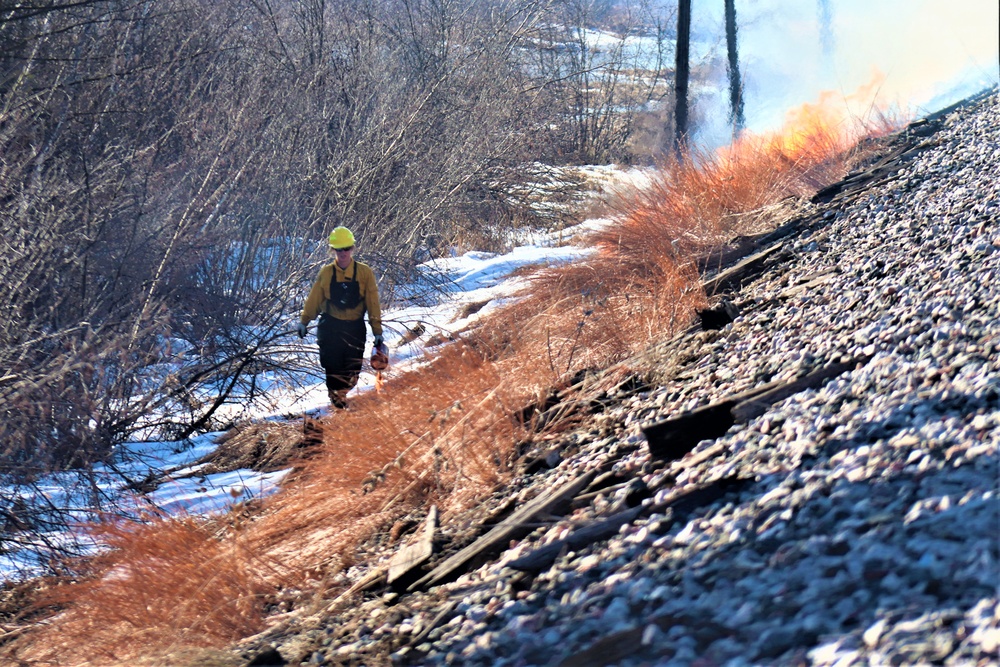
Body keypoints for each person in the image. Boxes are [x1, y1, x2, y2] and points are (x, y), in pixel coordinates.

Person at [298, 226, 383, 409]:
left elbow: (373, 301)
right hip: (331, 329)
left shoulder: (364, 272)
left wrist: (377, 331)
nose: (343, 253)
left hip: (354, 328)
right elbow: (314, 298)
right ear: (333, 250)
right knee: (332, 369)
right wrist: (304, 321)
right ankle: (338, 404)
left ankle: (342, 396)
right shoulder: (326, 273)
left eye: (346, 248)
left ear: (352, 249)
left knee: (352, 373)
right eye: (338, 249)